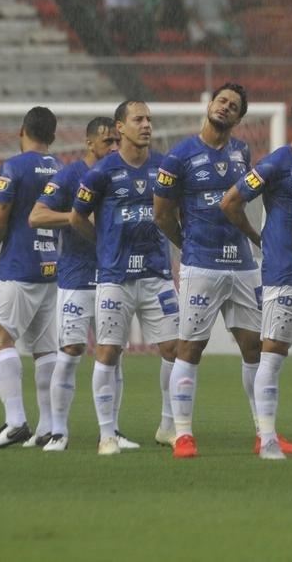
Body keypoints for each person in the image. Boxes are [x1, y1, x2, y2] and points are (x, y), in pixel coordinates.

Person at [155, 84, 287, 459]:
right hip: (202, 264)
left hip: (242, 266)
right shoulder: (179, 156)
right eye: (222, 101)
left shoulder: (241, 152)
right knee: (191, 347)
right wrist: (189, 245)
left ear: (239, 118)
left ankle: (265, 433)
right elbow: (161, 213)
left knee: (254, 348)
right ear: (210, 105)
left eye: (233, 106)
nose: (226, 108)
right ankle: (182, 434)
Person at [221, 97, 292, 460]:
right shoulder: (276, 163)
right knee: (272, 356)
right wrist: (257, 237)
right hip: (284, 274)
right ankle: (267, 438)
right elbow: (230, 202)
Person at [72, 100, 179, 455]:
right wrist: (103, 246)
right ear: (121, 127)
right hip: (115, 277)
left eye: (149, 118)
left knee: (175, 349)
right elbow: (77, 217)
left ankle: (168, 425)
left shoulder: (164, 167)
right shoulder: (101, 172)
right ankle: (107, 435)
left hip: (156, 274)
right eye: (138, 119)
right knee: (108, 352)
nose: (146, 125)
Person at [30, 119, 127, 451]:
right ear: (89, 143)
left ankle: (112, 431)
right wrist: (76, 217)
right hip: (75, 276)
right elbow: (37, 216)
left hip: (113, 277)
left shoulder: (120, 173)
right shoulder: (70, 176)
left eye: (117, 141)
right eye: (108, 141)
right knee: (70, 353)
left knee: (112, 354)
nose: (114, 147)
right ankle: (59, 431)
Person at [0, 108, 62, 449]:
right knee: (44, 348)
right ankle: (48, 426)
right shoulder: (59, 169)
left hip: (18, 266)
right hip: (50, 267)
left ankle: (15, 421)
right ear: (53, 137)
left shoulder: (14, 166)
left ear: (21, 130)